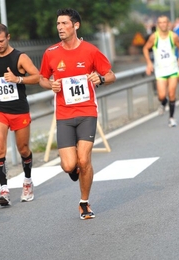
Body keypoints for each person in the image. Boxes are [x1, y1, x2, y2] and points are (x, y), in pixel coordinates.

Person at [39, 8, 116, 219]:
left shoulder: (90, 51)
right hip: (64, 114)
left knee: (84, 160)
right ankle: (73, 171)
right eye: (58, 24)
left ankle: (84, 202)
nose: (60, 28)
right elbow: (42, 78)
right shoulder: (51, 53)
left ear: (76, 26)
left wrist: (99, 79)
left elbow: (110, 75)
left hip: (87, 112)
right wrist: (50, 85)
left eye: (64, 24)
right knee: (69, 165)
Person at [0, 24, 40, 206]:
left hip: (19, 110)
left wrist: (17, 79)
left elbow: (37, 76)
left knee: (23, 149)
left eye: (1, 41)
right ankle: (4, 190)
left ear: (8, 37)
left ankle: (27, 181)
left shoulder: (20, 57)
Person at [144, 15, 179, 127]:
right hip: (160, 70)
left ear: (168, 23)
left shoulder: (174, 36)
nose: (163, 24)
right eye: (160, 22)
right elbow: (145, 48)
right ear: (158, 24)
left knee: (171, 94)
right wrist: (149, 63)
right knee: (161, 95)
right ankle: (163, 103)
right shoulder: (154, 37)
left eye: (164, 22)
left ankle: (171, 118)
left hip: (172, 69)